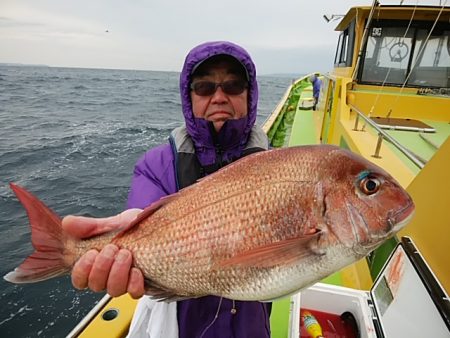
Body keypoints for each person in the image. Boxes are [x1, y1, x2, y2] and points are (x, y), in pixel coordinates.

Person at [62, 41, 271, 338]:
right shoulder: (155, 164)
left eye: (234, 86)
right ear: (189, 98)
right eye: (204, 87)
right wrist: (127, 235)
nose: (220, 96)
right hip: (180, 323)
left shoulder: (277, 166)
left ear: (250, 95)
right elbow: (140, 218)